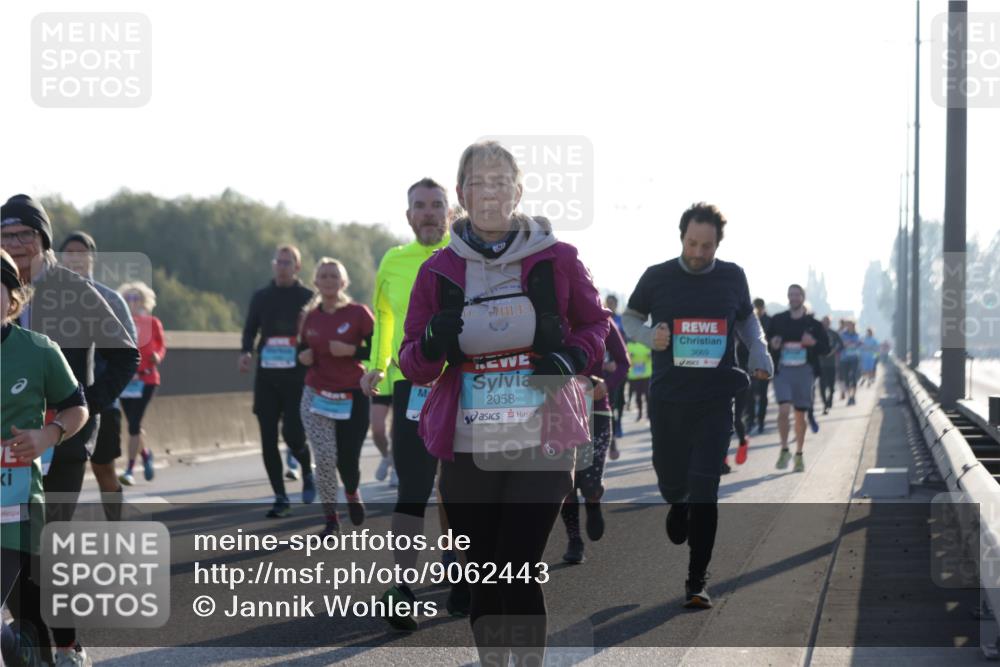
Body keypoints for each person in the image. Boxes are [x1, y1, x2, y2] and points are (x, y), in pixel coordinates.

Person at [400, 141, 609, 664]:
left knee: (516, 566)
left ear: (517, 191)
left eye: (501, 182)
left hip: (543, 435)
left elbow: (596, 323)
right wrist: (428, 343)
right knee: (483, 576)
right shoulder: (437, 271)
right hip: (469, 440)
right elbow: (412, 360)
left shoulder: (558, 258)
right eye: (478, 182)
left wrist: (568, 358)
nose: (489, 192)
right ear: (461, 193)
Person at [2, 195, 139, 666]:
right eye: (6, 236)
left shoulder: (74, 288)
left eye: (24, 235)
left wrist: (89, 402)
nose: (16, 245)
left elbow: (127, 354)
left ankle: (65, 645)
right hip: (11, 446)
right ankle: (31, 639)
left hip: (67, 434)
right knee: (12, 544)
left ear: (42, 238)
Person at [623, 202, 772, 609]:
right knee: (672, 480)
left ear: (717, 244)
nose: (698, 252)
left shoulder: (732, 276)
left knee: (706, 487)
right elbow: (629, 318)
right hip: (669, 397)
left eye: (707, 246)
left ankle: (697, 579)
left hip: (716, 397)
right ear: (681, 237)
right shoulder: (657, 277)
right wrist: (647, 334)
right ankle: (677, 501)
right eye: (692, 243)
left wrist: (758, 350)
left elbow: (746, 321)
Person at [359, 178, 467, 624]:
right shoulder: (394, 261)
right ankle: (401, 585)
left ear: (450, 212)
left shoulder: (465, 258)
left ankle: (462, 572)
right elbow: (385, 319)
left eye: (436, 205)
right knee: (414, 488)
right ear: (408, 216)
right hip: (412, 386)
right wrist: (377, 365)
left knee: (461, 489)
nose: (428, 212)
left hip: (464, 385)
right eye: (419, 206)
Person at [1, 249, 90, 667]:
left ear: (12, 298)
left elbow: (77, 407)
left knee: (43, 587)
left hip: (14, 506)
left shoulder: (37, 350)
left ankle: (58, 648)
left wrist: (48, 435)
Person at [59, 231, 138, 518]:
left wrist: (98, 396)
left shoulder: (109, 298)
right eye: (69, 253)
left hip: (101, 399)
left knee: (103, 468)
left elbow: (129, 348)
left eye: (82, 253)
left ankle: (115, 527)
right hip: (61, 402)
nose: (75, 258)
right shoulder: (48, 299)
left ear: (92, 259)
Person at [297, 258, 373, 536]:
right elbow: (302, 350)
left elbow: (378, 349)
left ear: (344, 282)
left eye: (334, 276)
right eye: (323, 276)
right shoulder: (309, 316)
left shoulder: (358, 313)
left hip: (352, 394)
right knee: (326, 457)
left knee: (348, 461)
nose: (328, 280)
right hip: (316, 394)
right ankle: (330, 518)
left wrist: (352, 351)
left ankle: (352, 491)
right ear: (315, 282)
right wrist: (302, 356)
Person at [240, 245, 316, 517]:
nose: (282, 266)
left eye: (288, 262)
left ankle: (307, 471)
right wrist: (246, 352)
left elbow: (317, 332)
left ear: (297, 267)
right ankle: (280, 497)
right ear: (273, 266)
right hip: (267, 377)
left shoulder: (308, 297)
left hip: (297, 377)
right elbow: (250, 329)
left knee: (293, 434)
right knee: (268, 438)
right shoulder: (261, 297)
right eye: (279, 262)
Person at [561, 320, 629, 564]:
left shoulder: (604, 322)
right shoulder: (552, 316)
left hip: (597, 411)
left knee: (588, 483)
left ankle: (593, 499)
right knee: (565, 483)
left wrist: (606, 385)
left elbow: (624, 363)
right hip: (560, 411)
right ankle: (574, 540)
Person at [766, 285, 830, 472]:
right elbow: (766, 343)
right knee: (784, 409)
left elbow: (826, 349)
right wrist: (773, 344)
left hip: (804, 372)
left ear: (803, 297)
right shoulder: (778, 320)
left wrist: (813, 343)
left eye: (797, 295)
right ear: (788, 297)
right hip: (783, 371)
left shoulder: (813, 324)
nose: (793, 298)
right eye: (791, 295)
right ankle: (785, 448)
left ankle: (799, 453)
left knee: (800, 415)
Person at [116, 281, 166, 486]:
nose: (132, 302)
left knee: (135, 424)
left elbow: (162, 346)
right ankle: (145, 455)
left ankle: (129, 469)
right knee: (133, 425)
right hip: (126, 381)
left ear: (144, 301)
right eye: (128, 298)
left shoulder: (153, 323)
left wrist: (157, 356)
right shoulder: (119, 322)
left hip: (147, 379)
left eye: (136, 298)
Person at [746, 298, 772, 434]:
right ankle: (750, 421)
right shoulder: (748, 321)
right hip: (749, 362)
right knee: (749, 393)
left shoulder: (769, 321)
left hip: (763, 363)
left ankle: (761, 421)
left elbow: (772, 342)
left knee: (762, 394)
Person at [817, 316, 842, 415]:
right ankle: (825, 405)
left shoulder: (834, 333)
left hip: (831, 363)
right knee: (822, 385)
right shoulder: (817, 333)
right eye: (824, 322)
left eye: (827, 322)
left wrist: (834, 351)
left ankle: (830, 399)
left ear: (830, 323)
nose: (825, 323)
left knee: (831, 386)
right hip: (820, 363)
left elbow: (840, 345)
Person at [626, 339, 652, 421]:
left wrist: (650, 355)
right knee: (638, 396)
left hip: (646, 374)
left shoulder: (647, 343)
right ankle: (640, 414)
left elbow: (652, 354)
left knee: (647, 395)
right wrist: (630, 355)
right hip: (635, 375)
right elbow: (625, 356)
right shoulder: (629, 345)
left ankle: (648, 414)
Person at [839, 320, 861, 405]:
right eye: (848, 325)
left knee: (853, 376)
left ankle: (854, 396)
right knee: (846, 378)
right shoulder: (842, 335)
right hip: (844, 359)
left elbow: (859, 344)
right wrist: (845, 344)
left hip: (854, 358)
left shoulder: (857, 335)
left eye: (851, 325)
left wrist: (855, 344)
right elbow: (840, 344)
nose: (849, 326)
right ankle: (849, 397)